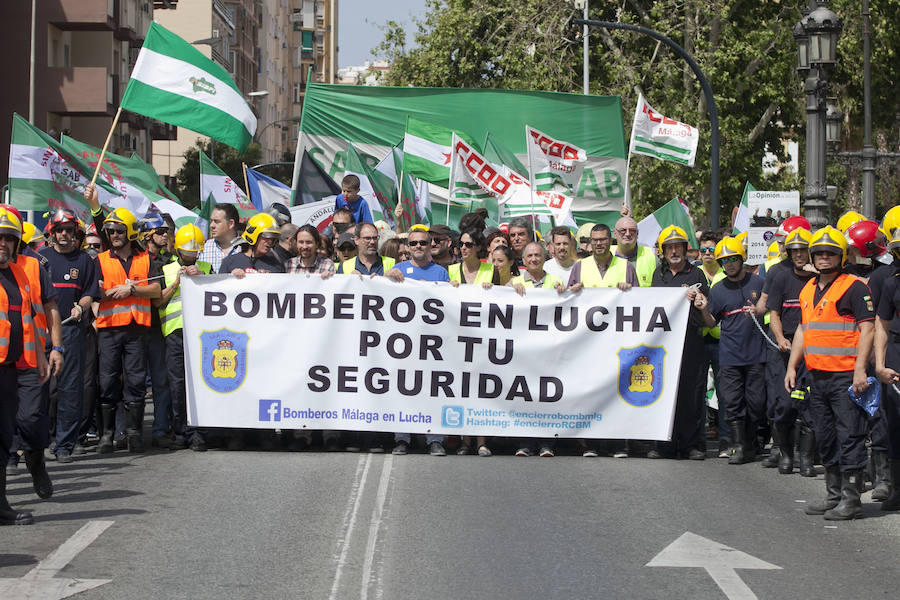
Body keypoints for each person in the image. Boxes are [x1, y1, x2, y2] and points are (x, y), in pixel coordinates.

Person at [785, 226, 875, 521]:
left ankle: (851, 499)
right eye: (819, 253)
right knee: (825, 436)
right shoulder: (808, 289)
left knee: (850, 435)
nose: (824, 257)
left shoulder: (854, 287)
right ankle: (833, 494)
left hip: (846, 377)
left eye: (830, 253)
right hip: (817, 376)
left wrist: (861, 369)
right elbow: (802, 329)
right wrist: (792, 366)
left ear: (841, 256)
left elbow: (868, 329)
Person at [95, 207, 162, 454]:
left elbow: (155, 290)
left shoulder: (146, 259)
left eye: (118, 230)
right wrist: (111, 292)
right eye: (110, 231)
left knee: (135, 381)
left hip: (136, 329)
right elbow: (95, 291)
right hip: (109, 330)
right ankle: (108, 435)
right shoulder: (100, 260)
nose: (113, 235)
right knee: (108, 381)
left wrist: (132, 290)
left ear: (130, 232)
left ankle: (134, 433)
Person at [0, 207, 50, 525]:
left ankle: (1, 506)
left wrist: (45, 353)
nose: (3, 243)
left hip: (11, 366)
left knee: (3, 439)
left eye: (9, 238)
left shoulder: (20, 273)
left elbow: (31, 315)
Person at [697, 236, 767, 465]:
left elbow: (770, 308)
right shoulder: (717, 290)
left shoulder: (758, 283)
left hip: (757, 354)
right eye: (724, 260)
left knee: (756, 403)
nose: (729, 264)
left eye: (734, 259)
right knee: (732, 401)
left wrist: (758, 310)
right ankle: (738, 446)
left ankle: (752, 441)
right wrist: (704, 309)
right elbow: (710, 322)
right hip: (730, 356)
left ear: (742, 259)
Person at [567, 224, 636, 457]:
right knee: (592, 391)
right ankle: (592, 443)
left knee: (617, 391)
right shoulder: (579, 267)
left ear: (611, 240)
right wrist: (572, 291)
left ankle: (617, 443)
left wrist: (629, 290)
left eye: (603, 239)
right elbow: (568, 305)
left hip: (617, 343)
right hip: (588, 343)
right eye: (594, 240)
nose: (598, 243)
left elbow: (640, 304)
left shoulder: (626, 267)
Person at [40, 209, 98, 463]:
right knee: (41, 388)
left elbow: (90, 292)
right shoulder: (39, 259)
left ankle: (64, 444)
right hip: (41, 331)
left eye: (69, 231)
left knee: (70, 388)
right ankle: (37, 442)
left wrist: (81, 307)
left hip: (72, 331)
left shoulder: (85, 260)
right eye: (60, 230)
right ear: (52, 232)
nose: (64, 235)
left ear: (76, 233)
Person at [385, 226, 450, 456]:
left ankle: (434, 439)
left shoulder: (441, 273)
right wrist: (387, 278)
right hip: (404, 344)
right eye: (414, 244)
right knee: (404, 390)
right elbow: (380, 295)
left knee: (432, 391)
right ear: (408, 247)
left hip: (432, 344)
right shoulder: (397, 269)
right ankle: (402, 438)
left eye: (423, 242)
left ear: (430, 244)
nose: (419, 247)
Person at [762, 228, 816, 475]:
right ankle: (784, 452)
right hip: (785, 347)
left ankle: (805, 458)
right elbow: (773, 313)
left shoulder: (819, 277)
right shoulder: (779, 275)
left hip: (813, 348)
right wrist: (780, 337)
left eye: (803, 250)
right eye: (793, 251)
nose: (798, 255)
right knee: (783, 402)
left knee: (808, 403)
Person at [652, 226, 709, 460]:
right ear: (663, 251)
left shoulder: (697, 275)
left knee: (691, 394)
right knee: (663, 392)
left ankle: (690, 444)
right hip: (664, 343)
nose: (674, 251)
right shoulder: (659, 274)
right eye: (670, 247)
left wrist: (697, 300)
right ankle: (663, 443)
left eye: (678, 247)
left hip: (690, 341)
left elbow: (706, 306)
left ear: (685, 249)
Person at [154, 224, 212, 451]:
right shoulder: (165, 269)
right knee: (177, 385)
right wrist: (176, 282)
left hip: (201, 335)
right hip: (174, 333)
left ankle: (199, 431)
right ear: (178, 250)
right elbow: (158, 301)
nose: (191, 256)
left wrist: (203, 278)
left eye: (195, 252)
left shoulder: (207, 268)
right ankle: (181, 431)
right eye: (188, 252)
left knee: (200, 384)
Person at [448, 229, 499, 457]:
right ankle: (465, 441)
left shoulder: (490, 271)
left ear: (479, 247)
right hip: (456, 338)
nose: (464, 248)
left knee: (481, 391)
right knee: (461, 389)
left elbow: (502, 299)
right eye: (462, 244)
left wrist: (493, 291)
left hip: (483, 340)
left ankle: (481, 441)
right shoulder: (450, 270)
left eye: (469, 244)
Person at [139, 211, 175, 449]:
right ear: (148, 235)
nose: (165, 236)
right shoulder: (135, 259)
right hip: (132, 327)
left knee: (161, 382)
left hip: (157, 328)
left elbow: (158, 300)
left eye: (166, 232)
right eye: (160, 232)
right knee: (132, 383)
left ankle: (161, 429)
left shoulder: (168, 262)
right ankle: (127, 432)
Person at [874, 226, 900, 511]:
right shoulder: (892, 282)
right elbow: (881, 326)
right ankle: (897, 487)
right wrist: (880, 364)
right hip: (896, 352)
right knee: (895, 420)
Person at [221, 212, 285, 276]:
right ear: (253, 235)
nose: (270, 242)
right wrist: (231, 277)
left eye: (273, 238)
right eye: (266, 237)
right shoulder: (229, 262)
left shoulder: (277, 265)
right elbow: (219, 284)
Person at [612, 216, 657, 287]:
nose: (627, 234)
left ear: (637, 233)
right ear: (615, 234)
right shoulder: (605, 256)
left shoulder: (652, 256)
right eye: (623, 230)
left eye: (632, 230)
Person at [198, 203, 242, 274]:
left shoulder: (246, 248)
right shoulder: (203, 248)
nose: (211, 225)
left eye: (217, 221)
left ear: (231, 223)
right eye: (211, 221)